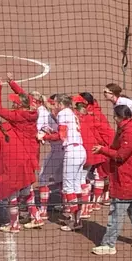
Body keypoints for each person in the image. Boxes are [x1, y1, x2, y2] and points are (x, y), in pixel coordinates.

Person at [91, 105, 132, 255]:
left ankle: (108, 244)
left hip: (126, 178)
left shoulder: (130, 132)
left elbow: (120, 155)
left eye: (115, 116)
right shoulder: (126, 129)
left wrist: (102, 150)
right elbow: (117, 148)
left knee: (116, 213)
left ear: (119, 117)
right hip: (128, 177)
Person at [0, 76, 39, 233]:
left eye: (14, 102)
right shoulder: (33, 111)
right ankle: (35, 215)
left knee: (13, 189)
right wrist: (12, 83)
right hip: (32, 153)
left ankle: (14, 224)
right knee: (27, 186)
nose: (12, 103)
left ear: (18, 105)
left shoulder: (18, 116)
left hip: (22, 154)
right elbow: (26, 97)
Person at [38, 94, 86, 231]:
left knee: (69, 188)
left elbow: (61, 136)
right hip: (80, 150)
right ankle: (77, 218)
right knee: (76, 187)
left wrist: (45, 136)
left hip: (72, 152)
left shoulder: (63, 113)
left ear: (60, 104)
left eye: (55, 104)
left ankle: (75, 221)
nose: (54, 106)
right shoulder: (71, 112)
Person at [0, 113, 37, 231]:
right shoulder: (7, 127)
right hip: (23, 161)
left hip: (10, 166)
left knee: (11, 194)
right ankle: (36, 217)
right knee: (27, 191)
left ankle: (14, 224)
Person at [72, 95, 108, 218]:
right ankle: (95, 203)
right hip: (96, 148)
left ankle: (84, 209)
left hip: (85, 151)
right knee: (96, 175)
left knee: (81, 179)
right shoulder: (93, 116)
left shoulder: (75, 117)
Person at [80, 92, 114, 208]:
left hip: (103, 147)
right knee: (102, 174)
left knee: (98, 174)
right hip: (106, 146)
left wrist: (103, 148)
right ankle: (103, 198)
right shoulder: (96, 113)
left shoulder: (90, 116)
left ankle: (95, 201)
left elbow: (100, 133)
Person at [36, 94, 64, 220]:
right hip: (68, 152)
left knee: (43, 178)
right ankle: (67, 207)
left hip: (58, 151)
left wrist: (44, 136)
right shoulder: (67, 114)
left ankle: (43, 210)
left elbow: (58, 135)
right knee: (61, 179)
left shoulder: (56, 117)